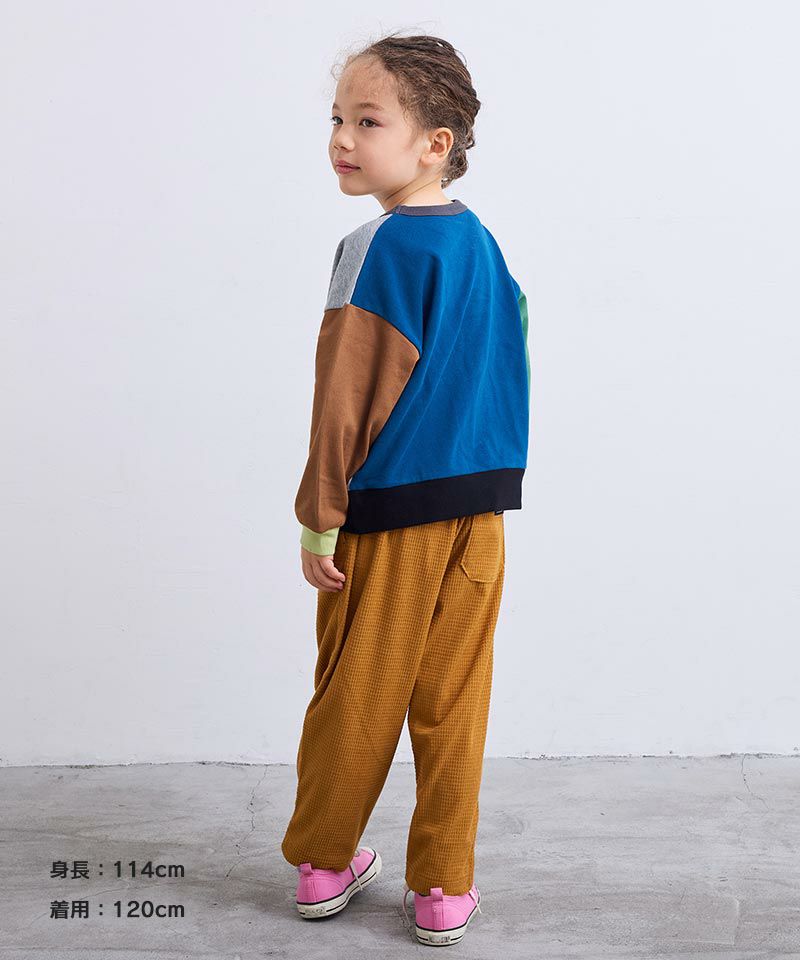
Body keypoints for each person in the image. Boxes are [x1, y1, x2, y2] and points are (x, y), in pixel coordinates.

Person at [280, 31, 531, 946]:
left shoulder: (375, 247)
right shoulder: (484, 246)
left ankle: (323, 862)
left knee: (357, 691)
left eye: (367, 121)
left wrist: (320, 519)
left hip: (389, 519)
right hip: (481, 512)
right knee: (453, 701)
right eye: (336, 119)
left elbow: (344, 397)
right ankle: (443, 887)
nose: (342, 139)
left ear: (435, 142)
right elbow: (513, 352)